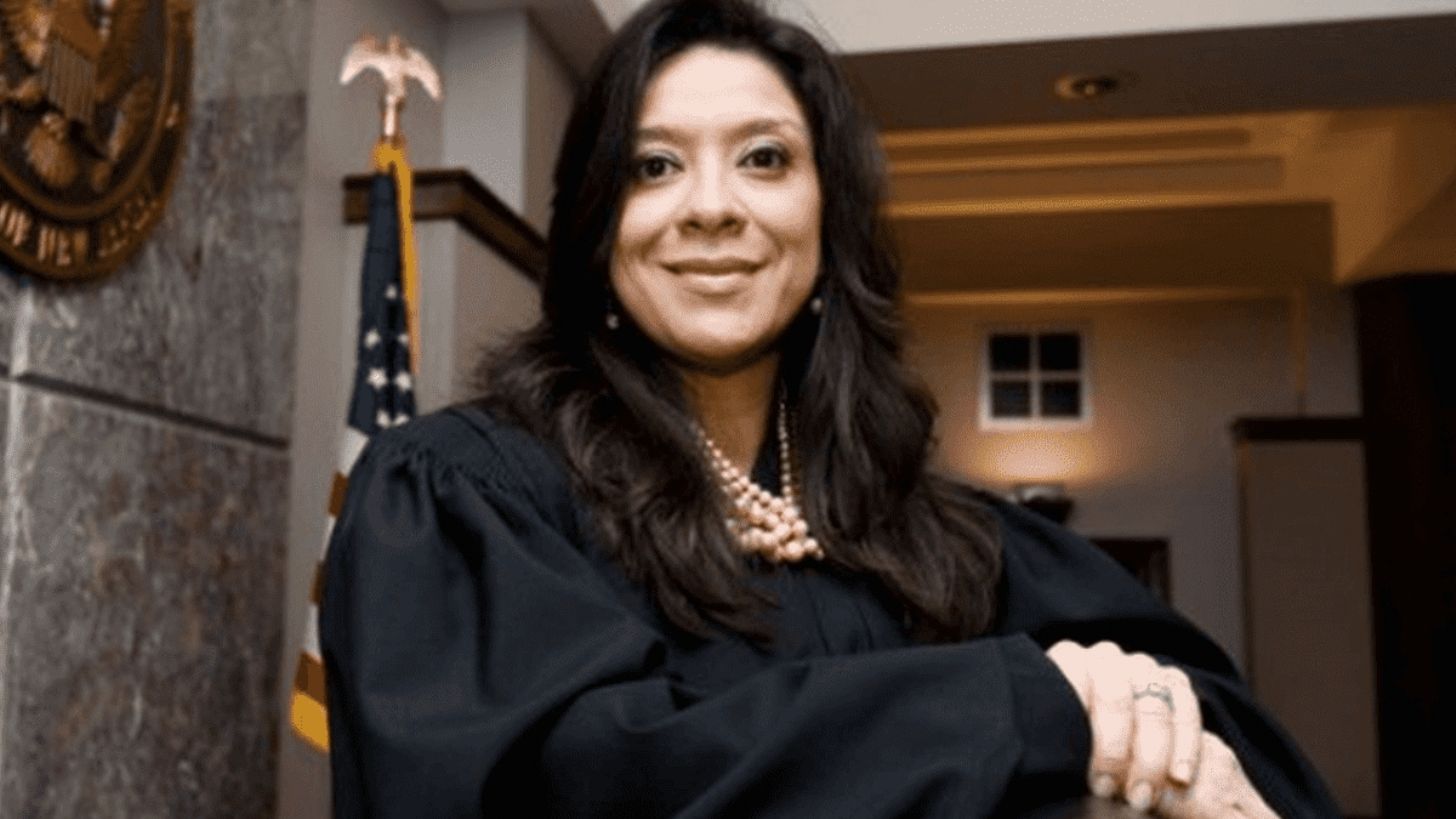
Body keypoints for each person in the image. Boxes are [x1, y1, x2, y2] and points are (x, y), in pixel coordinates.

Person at [319, 0, 1340, 816]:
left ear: (827, 216)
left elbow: (1230, 726)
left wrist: (1156, 726)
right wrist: (1025, 707)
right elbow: (592, 780)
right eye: (653, 165)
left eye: (763, 157)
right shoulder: (465, 497)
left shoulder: (937, 532)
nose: (711, 207)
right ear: (597, 225)